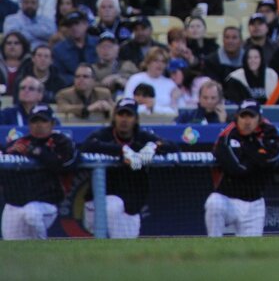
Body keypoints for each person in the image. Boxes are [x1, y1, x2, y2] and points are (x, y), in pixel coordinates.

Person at [79, 98, 169, 239]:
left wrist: (154, 147)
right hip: (96, 206)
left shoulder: (142, 136)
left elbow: (173, 147)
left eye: (129, 115)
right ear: (114, 117)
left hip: (129, 207)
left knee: (127, 245)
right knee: (114, 204)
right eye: (121, 115)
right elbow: (86, 146)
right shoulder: (104, 135)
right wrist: (122, 150)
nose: (124, 119)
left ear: (136, 119)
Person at [205, 99, 279, 237]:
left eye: (251, 117)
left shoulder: (270, 131)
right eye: (243, 116)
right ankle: (213, 241)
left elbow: (271, 158)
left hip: (254, 202)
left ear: (259, 118)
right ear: (237, 117)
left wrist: (246, 151)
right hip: (227, 199)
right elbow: (238, 169)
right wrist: (257, 154)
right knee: (213, 202)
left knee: (252, 251)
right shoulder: (228, 134)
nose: (247, 121)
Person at [1, 105, 77, 240]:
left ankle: (42, 244)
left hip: (44, 204)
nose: (38, 125)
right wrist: (12, 153)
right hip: (14, 204)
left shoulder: (61, 141)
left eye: (43, 121)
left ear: (52, 123)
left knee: (32, 213)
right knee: (12, 247)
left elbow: (64, 165)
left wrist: (35, 151)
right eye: (34, 121)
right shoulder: (18, 143)